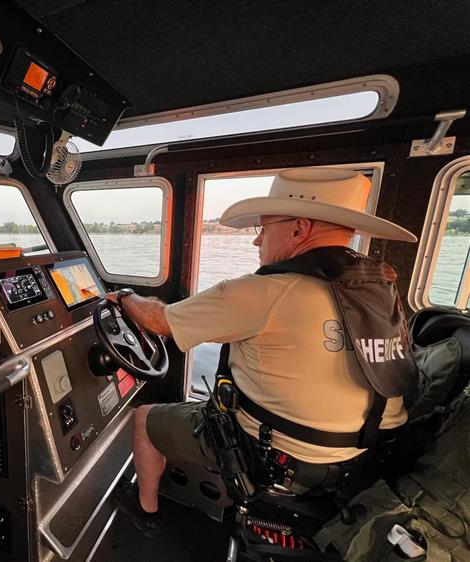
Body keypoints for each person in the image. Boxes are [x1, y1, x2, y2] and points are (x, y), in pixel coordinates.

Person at [108, 167, 418, 537]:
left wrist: (125, 297)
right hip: (372, 452)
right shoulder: (378, 284)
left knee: (144, 418)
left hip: (287, 457)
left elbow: (160, 321)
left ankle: (145, 510)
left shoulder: (265, 291)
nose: (257, 243)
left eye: (263, 229)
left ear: (299, 228)